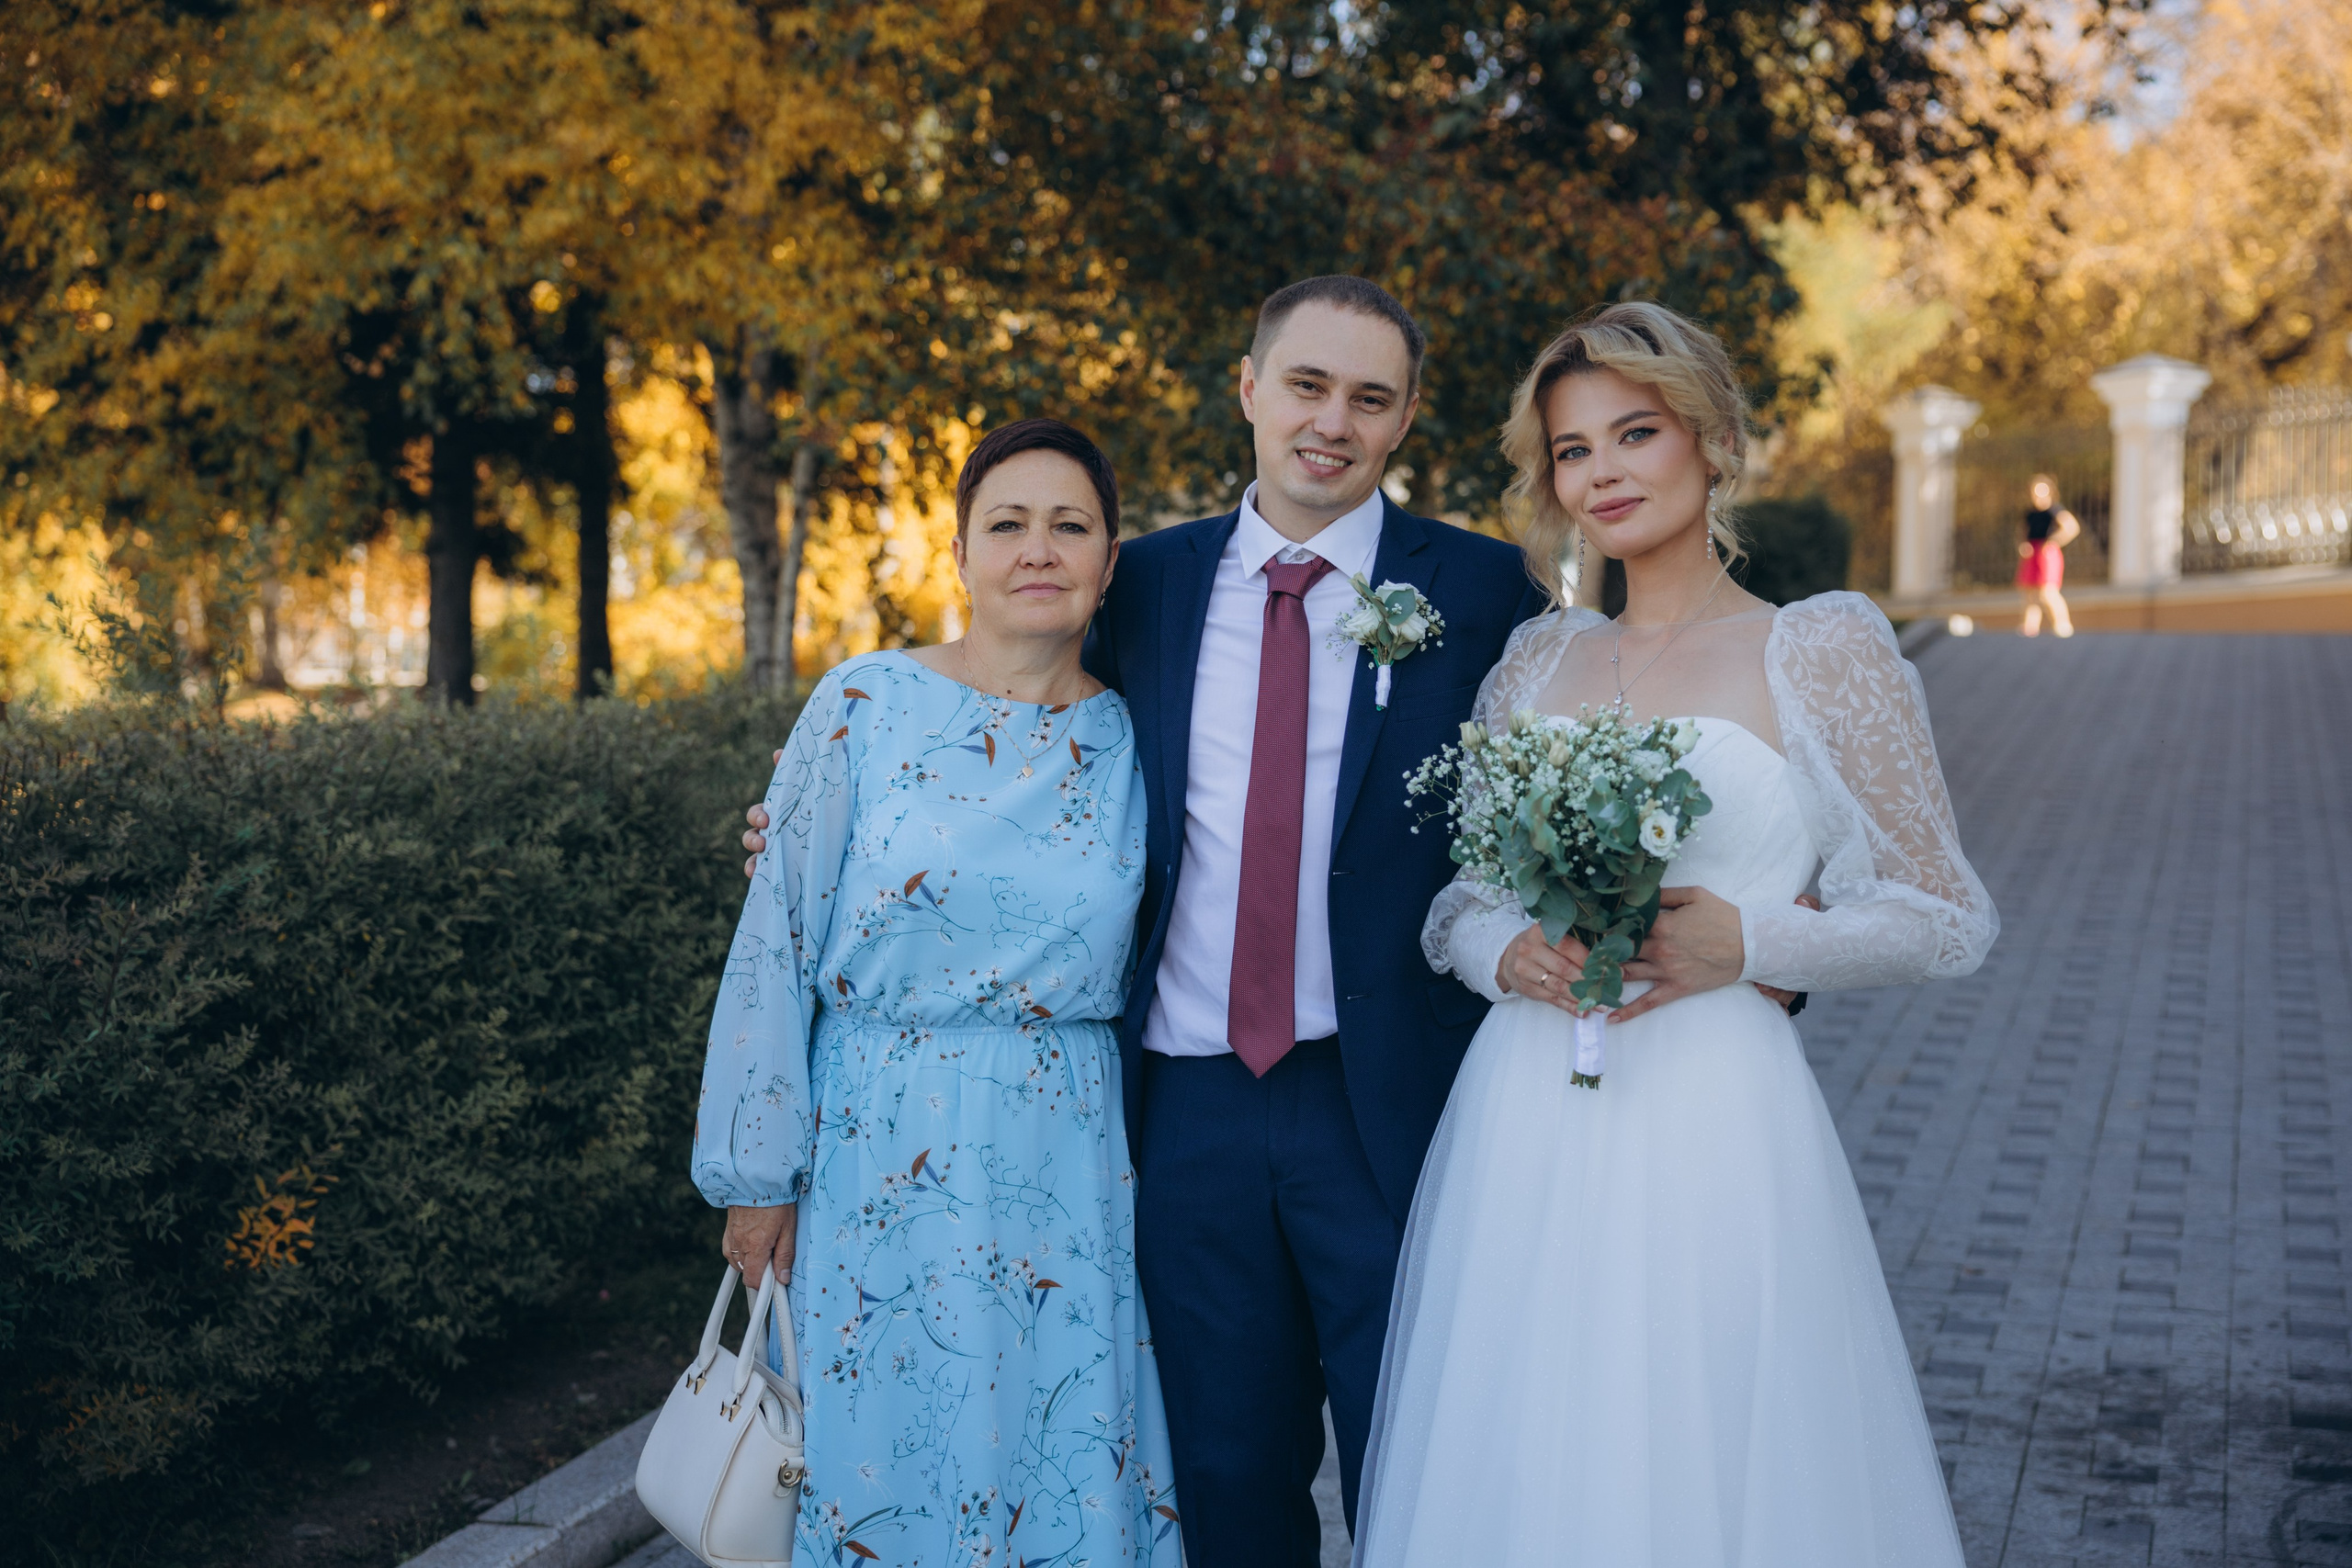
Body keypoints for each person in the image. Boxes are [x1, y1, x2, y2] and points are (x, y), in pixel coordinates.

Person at [741, 279, 1808, 1565]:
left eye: (1370, 397)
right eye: (1307, 385)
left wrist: (1750, 930)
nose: (1332, 422)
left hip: (1399, 1102)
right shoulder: (1142, 582)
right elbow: (1008, 725)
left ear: (1407, 417)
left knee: (1426, 1453)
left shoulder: (1481, 595)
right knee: (1226, 1475)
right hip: (1184, 1107)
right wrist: (817, 823)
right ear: (1250, 391)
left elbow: (1596, 766)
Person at [1351, 302, 1999, 1566]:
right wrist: (1503, 954)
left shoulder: (1821, 645)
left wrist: (1749, 945)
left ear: (1709, 439)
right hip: (1527, 1109)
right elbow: (1461, 897)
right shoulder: (1538, 658)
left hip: (1714, 1112)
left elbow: (1946, 913)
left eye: (1633, 432)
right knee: (1528, 1434)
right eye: (1573, 451)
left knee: (1707, 1435)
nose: (1602, 473)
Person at [693, 419, 1179, 1567]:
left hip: (1065, 1152)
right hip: (878, 1137)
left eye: (1071, 525)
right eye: (1006, 524)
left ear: (1111, 560)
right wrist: (758, 1176)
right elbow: (780, 939)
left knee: (1055, 1441)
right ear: (958, 552)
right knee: (882, 1454)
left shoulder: (1134, 741)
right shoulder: (862, 705)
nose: (1038, 549)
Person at [2017, 472, 2080, 637]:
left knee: (2048, 592)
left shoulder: (2054, 510)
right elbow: (2024, 534)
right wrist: (2024, 546)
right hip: (2032, 553)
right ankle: (2029, 627)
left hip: (2047, 554)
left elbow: (2071, 527)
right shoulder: (2030, 513)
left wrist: (2053, 541)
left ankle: (2063, 625)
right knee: (2030, 593)